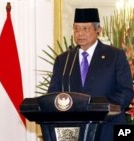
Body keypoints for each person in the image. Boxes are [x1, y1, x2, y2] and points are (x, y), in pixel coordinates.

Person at [48, 8, 134, 141]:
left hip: (108, 129)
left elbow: (126, 92)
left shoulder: (115, 55)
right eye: (76, 29)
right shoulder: (64, 60)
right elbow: (53, 94)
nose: (80, 33)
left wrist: (98, 108)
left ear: (98, 30)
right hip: (73, 131)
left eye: (86, 29)